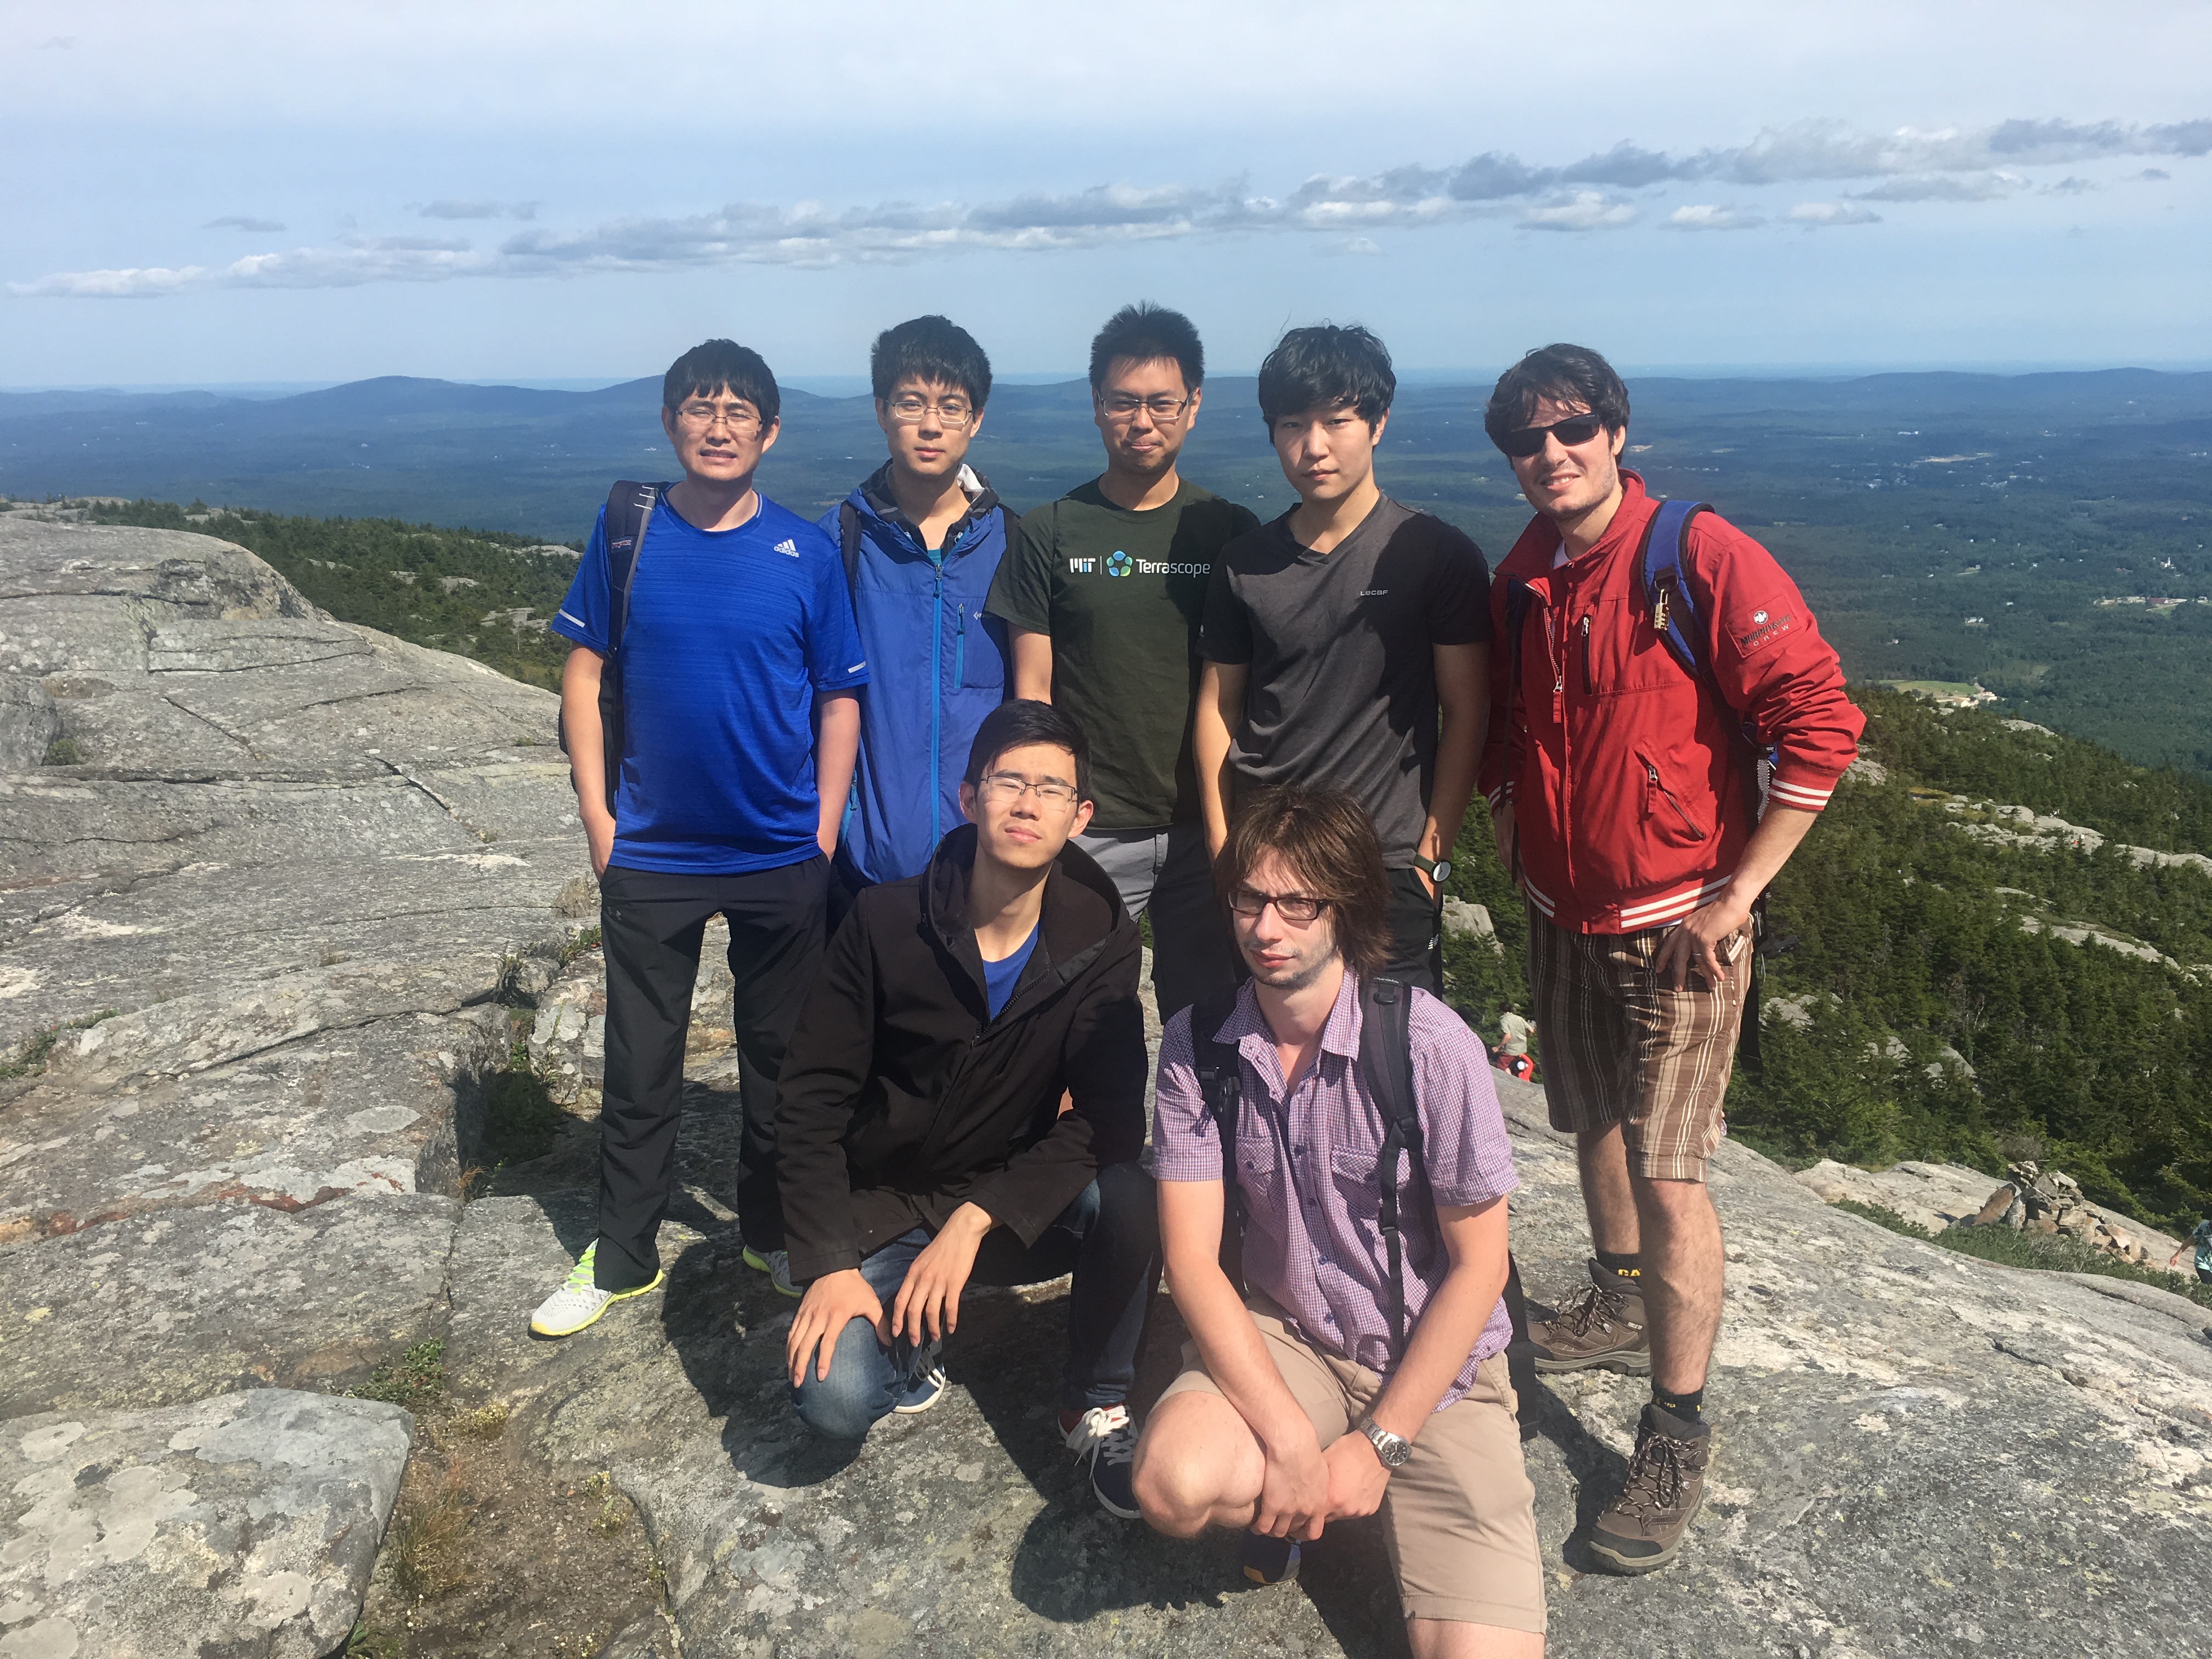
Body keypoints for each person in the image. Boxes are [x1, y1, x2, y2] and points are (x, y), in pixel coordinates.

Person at [1478, 343, 1863, 1574]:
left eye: (1572, 429)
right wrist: (1506, 819)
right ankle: (1615, 1295)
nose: (1551, 454)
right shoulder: (1528, 573)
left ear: (1617, 431)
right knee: (1584, 1120)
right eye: (1526, 441)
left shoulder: (1696, 555)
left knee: (1671, 1170)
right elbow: (1511, 726)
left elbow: (1821, 718)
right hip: (1563, 910)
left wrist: (1741, 893)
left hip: (1680, 923)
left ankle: (1675, 1427)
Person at [1133, 786, 1545, 1656]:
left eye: (1297, 902)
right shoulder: (1197, 1047)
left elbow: (1479, 1268)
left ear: (1347, 908)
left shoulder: (1430, 1048)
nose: (1265, 927)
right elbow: (1193, 1261)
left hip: (1436, 1373)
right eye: (1249, 897)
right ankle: (1315, 1488)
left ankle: (1335, 1496)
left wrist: (1382, 1443)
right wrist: (1287, 1437)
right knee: (1172, 1484)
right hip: (1292, 1337)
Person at [531, 338, 867, 1338]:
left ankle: (770, 1232)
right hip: (655, 852)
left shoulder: (806, 553)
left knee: (778, 1063)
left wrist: (821, 828)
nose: (718, 427)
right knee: (640, 1064)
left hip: (778, 853)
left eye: (739, 412)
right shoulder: (629, 532)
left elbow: (839, 697)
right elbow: (583, 673)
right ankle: (624, 1252)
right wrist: (600, 816)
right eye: (699, 408)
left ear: (770, 430)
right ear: (672, 421)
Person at [776, 701, 1160, 1517]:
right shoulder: (884, 922)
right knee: (834, 1403)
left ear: (1080, 816)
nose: (1027, 804)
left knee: (1131, 1190)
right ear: (968, 795)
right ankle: (916, 1340)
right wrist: (828, 1262)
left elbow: (1111, 1118)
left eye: (1051, 789)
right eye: (1008, 782)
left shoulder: (1101, 941)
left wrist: (979, 1217)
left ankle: (1094, 1399)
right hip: (882, 1209)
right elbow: (809, 1098)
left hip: (1003, 1207)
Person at [1197, 324, 1490, 994]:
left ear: (1378, 422)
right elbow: (1219, 708)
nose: (1314, 446)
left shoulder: (1434, 555)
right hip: (1266, 860)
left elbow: (1468, 710)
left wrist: (1430, 863)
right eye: (1293, 424)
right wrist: (1225, 854)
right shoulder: (1245, 565)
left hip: (1383, 861)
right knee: (1269, 1061)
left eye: (1338, 420)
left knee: (1393, 1070)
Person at [985, 302, 1257, 1025]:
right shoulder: (1048, 532)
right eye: (1123, 403)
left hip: (1208, 826)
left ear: (1194, 405)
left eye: (1162, 403)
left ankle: (1199, 1146)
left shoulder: (1230, 532)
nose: (1143, 421)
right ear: (1097, 407)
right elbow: (1032, 692)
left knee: (1211, 1023)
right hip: (1093, 823)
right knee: (1067, 1015)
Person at [819, 316, 1014, 929]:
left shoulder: (1016, 545)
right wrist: (838, 827)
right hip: (862, 869)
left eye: (951, 407)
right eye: (911, 403)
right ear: (881, 410)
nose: (931, 425)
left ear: (976, 419)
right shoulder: (836, 542)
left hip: (986, 867)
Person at [2169, 1216, 2212, 1285]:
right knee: (2209, 1287)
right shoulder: (2205, 1225)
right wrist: (2177, 1255)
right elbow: (2191, 1239)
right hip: (2202, 1263)